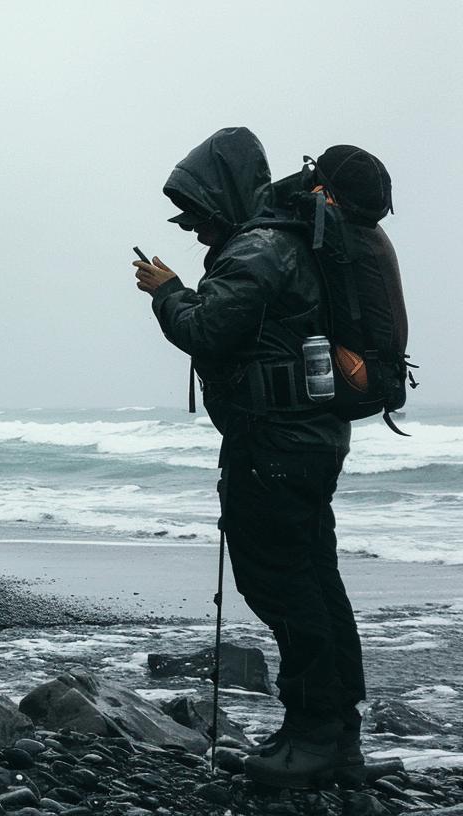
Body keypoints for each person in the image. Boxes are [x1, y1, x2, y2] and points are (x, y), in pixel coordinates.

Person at [132, 127, 364, 789]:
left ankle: (320, 738)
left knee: (283, 587)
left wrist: (167, 289)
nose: (197, 229)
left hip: (276, 446)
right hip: (302, 443)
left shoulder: (258, 249)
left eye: (199, 216)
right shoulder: (285, 242)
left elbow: (206, 329)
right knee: (314, 582)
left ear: (226, 197)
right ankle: (324, 732)